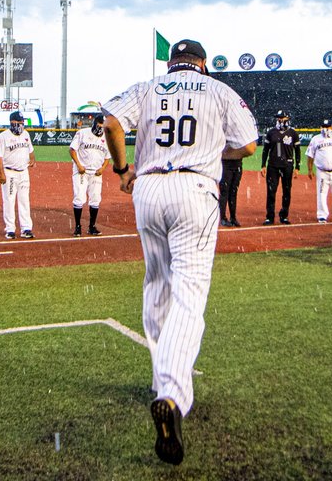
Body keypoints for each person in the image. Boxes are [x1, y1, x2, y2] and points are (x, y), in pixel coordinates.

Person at [101, 38, 258, 465]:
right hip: (195, 188)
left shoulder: (148, 87)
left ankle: (161, 382)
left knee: (158, 286)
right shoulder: (221, 91)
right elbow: (247, 146)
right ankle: (172, 395)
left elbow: (111, 122)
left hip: (148, 188)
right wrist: (213, 151)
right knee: (189, 292)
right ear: (202, 64)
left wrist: (121, 169)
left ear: (171, 64)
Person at [0, 110, 36, 239]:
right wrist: (2, 174)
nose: (22, 124)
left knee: (24, 200)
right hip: (9, 172)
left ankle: (26, 228)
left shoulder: (26, 134)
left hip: (24, 172)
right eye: (19, 122)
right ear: (12, 122)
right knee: (9, 200)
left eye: (22, 122)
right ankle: (10, 229)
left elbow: (31, 151)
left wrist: (32, 159)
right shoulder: (3, 136)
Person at [68, 113, 109, 236]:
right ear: (94, 124)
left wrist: (103, 168)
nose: (100, 128)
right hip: (82, 171)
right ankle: (78, 227)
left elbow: (107, 156)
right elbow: (72, 149)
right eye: (99, 125)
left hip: (96, 173)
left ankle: (92, 226)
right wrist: (79, 165)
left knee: (95, 199)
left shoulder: (106, 137)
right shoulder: (83, 133)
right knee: (79, 197)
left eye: (103, 125)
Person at [260, 110, 300, 225]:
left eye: (282, 118)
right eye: (278, 118)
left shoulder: (293, 133)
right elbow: (265, 150)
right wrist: (263, 164)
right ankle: (270, 216)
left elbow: (297, 151)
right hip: (273, 165)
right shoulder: (271, 132)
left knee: (286, 191)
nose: (279, 120)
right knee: (271, 191)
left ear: (287, 119)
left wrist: (297, 167)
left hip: (287, 165)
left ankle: (284, 215)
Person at [217, 156, 243, 227]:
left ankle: (233, 218)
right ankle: (223, 218)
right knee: (224, 192)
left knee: (233, 192)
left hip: (237, 164)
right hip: (226, 165)